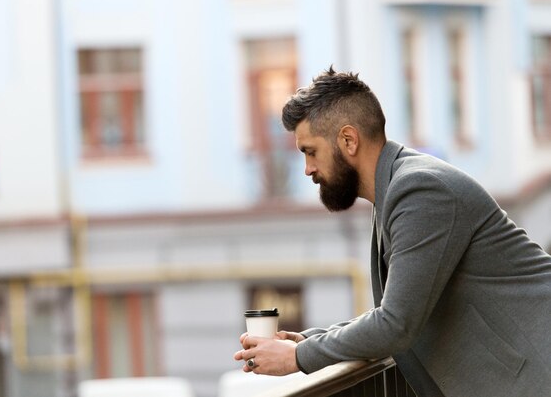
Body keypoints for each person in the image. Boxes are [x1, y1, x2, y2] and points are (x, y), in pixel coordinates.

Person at [233, 67, 551, 396]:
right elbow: (401, 307)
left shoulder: (421, 190)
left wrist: (298, 357)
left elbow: (396, 323)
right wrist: (310, 339)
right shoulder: (396, 190)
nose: (308, 169)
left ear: (348, 140)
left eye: (311, 151)